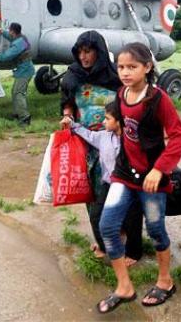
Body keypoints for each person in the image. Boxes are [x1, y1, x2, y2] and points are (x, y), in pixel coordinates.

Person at [97, 42, 181, 313]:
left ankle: (165, 281)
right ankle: (124, 286)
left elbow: (178, 136)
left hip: (151, 178)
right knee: (107, 226)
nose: (125, 72)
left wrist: (160, 169)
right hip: (124, 174)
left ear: (147, 67)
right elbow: (124, 127)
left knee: (156, 230)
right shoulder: (121, 93)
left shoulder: (158, 99)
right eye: (121, 67)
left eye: (132, 67)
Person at [60, 30, 143, 266]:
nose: (83, 57)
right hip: (87, 143)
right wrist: (68, 117)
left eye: (88, 52)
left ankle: (125, 235)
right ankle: (105, 238)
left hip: (115, 144)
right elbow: (67, 101)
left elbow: (130, 104)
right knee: (93, 193)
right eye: (80, 52)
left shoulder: (115, 76)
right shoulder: (73, 75)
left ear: (99, 52)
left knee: (122, 190)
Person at [0, 23, 35, 125]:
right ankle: (18, 113)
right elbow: (9, 36)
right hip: (24, 69)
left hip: (25, 71)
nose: (9, 32)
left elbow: (5, 57)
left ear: (13, 31)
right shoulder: (20, 37)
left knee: (19, 93)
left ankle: (25, 117)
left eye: (10, 30)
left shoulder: (18, 44)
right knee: (14, 91)